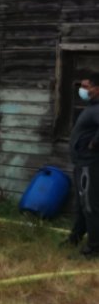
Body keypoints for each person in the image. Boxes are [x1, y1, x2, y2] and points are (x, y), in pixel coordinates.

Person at [64, 74, 99, 258]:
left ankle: (93, 248)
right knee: (80, 204)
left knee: (90, 205)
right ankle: (75, 238)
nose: (83, 90)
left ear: (97, 88)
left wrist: (93, 144)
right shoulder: (91, 107)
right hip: (81, 164)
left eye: (87, 87)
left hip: (90, 165)